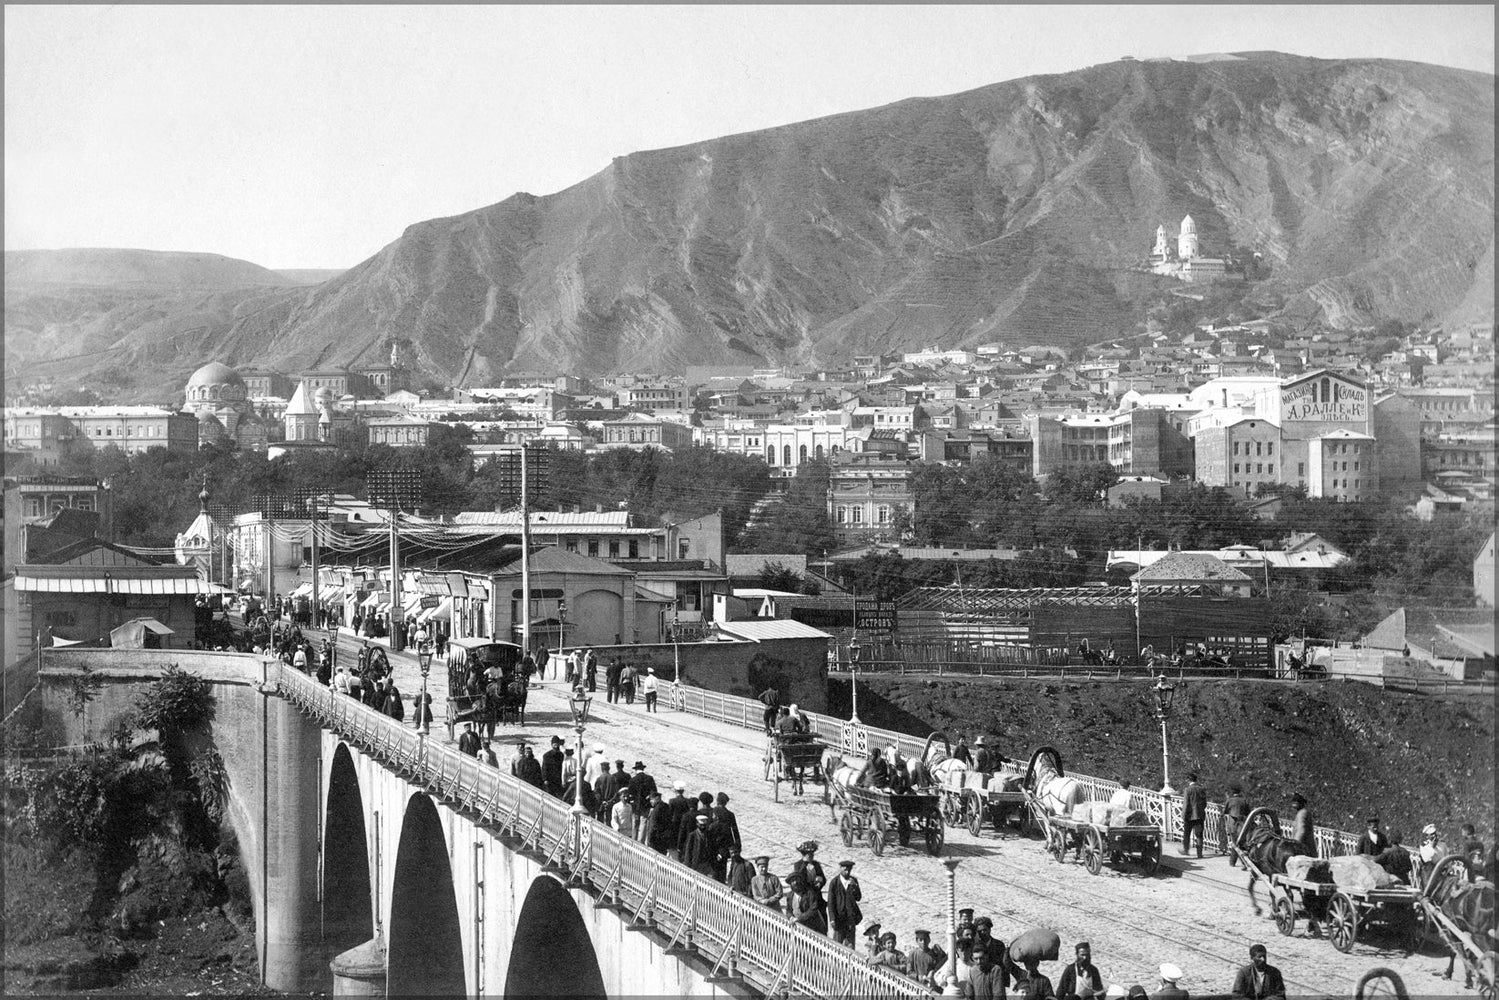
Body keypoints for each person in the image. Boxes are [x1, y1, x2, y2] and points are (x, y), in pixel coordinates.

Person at [827, 859, 862, 946]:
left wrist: (855, 886)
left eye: (849, 870)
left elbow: (858, 897)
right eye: (845, 869)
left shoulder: (853, 881)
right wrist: (832, 918)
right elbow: (831, 902)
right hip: (839, 918)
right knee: (837, 944)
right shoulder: (834, 883)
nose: (847, 872)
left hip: (850, 919)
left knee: (850, 944)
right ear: (840, 869)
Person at [628, 762, 659, 836]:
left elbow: (630, 793)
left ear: (636, 770)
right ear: (643, 769)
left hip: (635, 805)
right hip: (646, 804)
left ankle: (633, 841)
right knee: (643, 823)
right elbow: (654, 792)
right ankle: (640, 842)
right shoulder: (649, 778)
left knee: (635, 823)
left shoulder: (633, 780)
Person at [1223, 784, 1250, 865]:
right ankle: (1241, 862)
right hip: (1242, 825)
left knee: (1235, 843)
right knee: (1241, 843)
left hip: (1232, 825)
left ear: (1232, 792)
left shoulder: (1229, 800)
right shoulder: (1244, 800)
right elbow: (1248, 812)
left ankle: (1236, 862)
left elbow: (1225, 811)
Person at [1181, 773, 1207, 859]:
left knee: (1187, 833)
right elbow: (1204, 803)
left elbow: (1186, 804)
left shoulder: (1187, 790)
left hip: (1189, 816)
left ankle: (1186, 850)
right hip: (1199, 815)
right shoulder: (1201, 789)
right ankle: (1199, 854)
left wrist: (1183, 815)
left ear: (1188, 780)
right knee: (1199, 835)